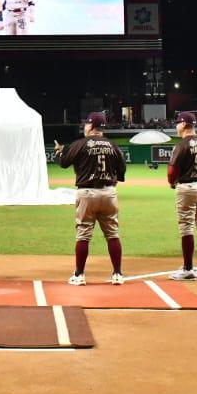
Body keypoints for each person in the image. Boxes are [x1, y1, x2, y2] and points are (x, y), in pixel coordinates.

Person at [54, 112, 126, 285]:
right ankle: (117, 274)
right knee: (112, 234)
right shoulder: (112, 145)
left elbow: (64, 162)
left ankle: (79, 275)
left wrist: (59, 152)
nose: (84, 126)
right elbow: (122, 170)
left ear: (91, 126)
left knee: (84, 235)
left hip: (86, 193)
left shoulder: (80, 144)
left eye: (86, 124)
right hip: (109, 193)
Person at [166, 112, 197, 280]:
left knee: (186, 227)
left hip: (187, 187)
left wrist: (172, 182)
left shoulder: (183, 144)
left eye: (178, 123)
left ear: (184, 124)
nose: (176, 126)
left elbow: (172, 171)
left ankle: (187, 269)